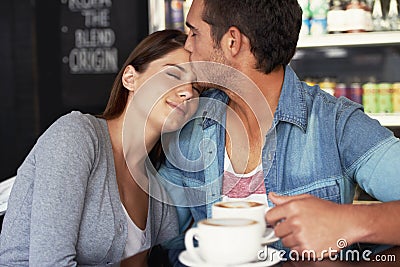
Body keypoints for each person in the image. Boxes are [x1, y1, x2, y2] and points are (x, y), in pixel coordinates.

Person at [156, 0, 400, 264]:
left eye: (194, 33)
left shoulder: (336, 123)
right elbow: (156, 232)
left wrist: (348, 223)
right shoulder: (192, 125)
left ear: (232, 42)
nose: (188, 46)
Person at [0, 29, 200, 266]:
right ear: (130, 78)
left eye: (196, 86)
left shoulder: (158, 199)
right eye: (172, 74)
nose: (187, 91)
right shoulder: (77, 135)